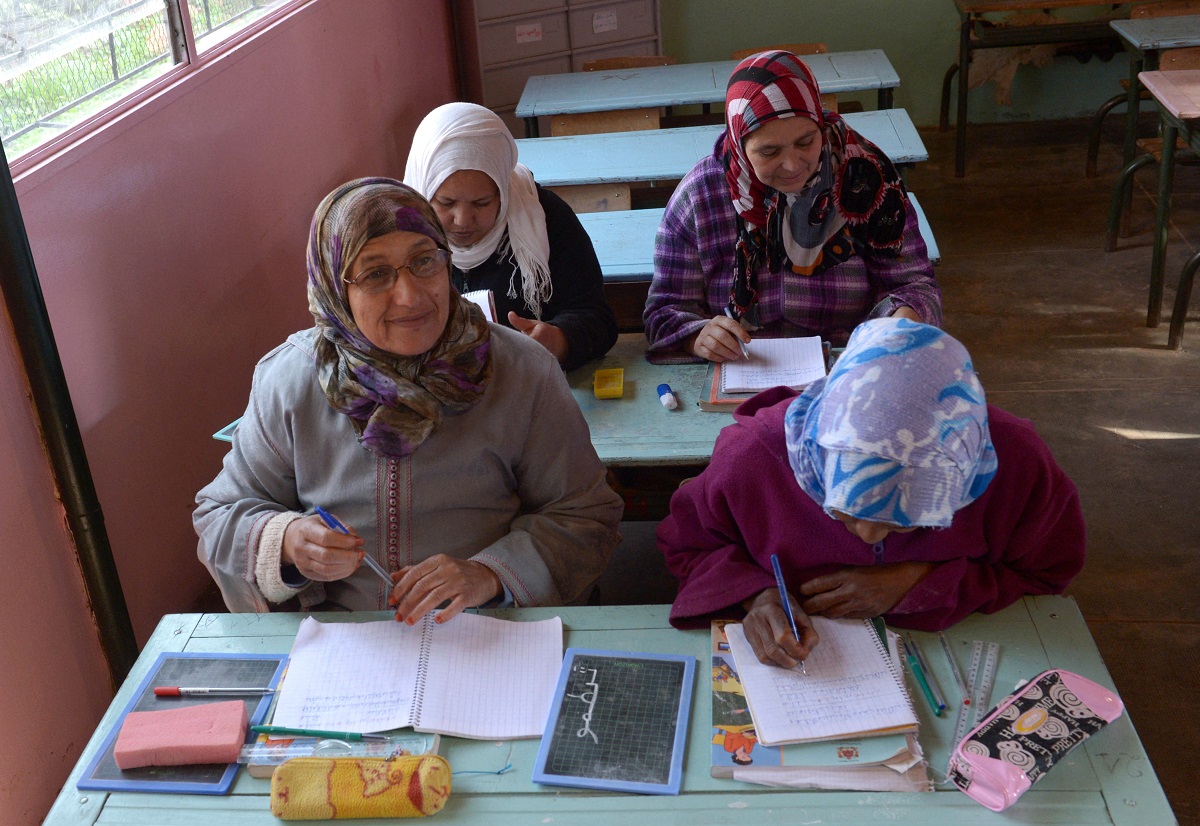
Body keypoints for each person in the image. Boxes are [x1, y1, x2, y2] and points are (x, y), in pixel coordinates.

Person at [194, 177, 623, 620]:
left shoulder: (520, 371)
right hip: (341, 644)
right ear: (335, 289)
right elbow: (220, 516)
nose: (411, 296)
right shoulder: (291, 382)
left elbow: (585, 514)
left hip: (483, 630)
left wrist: (489, 574)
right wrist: (285, 540)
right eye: (376, 273)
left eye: (425, 261)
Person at [658, 318, 1085, 667]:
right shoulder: (755, 460)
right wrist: (755, 594)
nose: (868, 538)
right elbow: (688, 544)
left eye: (909, 523)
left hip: (963, 654)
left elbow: (1045, 570)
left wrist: (924, 579)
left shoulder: (1016, 466)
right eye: (843, 512)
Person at [643, 50, 941, 363]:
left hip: (849, 363)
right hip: (741, 368)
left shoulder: (866, 180)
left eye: (805, 142)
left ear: (819, 122)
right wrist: (697, 335)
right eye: (769, 152)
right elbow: (665, 311)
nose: (791, 165)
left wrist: (902, 321)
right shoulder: (700, 195)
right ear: (739, 143)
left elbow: (914, 286)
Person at [404, 102, 618, 371]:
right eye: (446, 203)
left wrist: (559, 340)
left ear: (503, 192)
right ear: (422, 187)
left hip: (529, 384)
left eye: (482, 203)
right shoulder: (402, 234)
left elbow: (597, 319)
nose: (462, 221)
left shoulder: (544, 217)